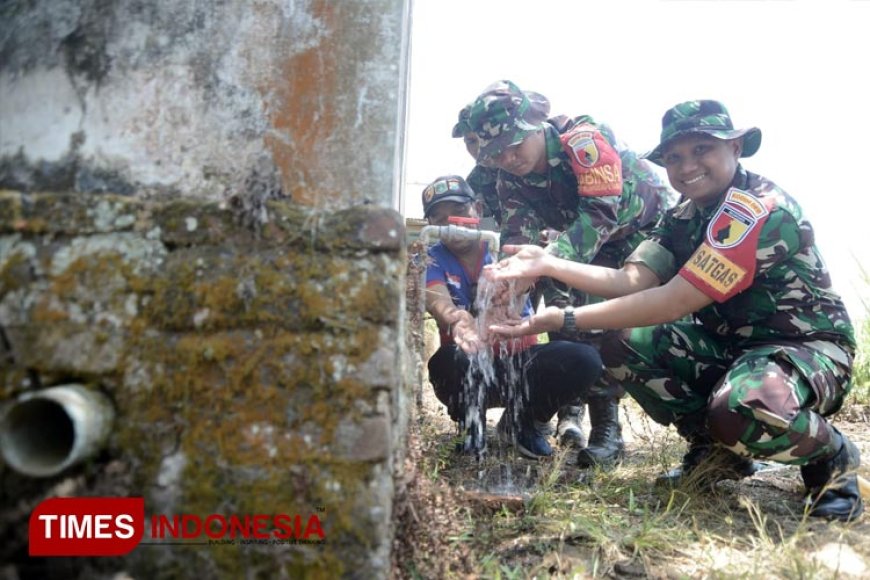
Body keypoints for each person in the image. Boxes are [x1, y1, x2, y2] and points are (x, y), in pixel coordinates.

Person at [484, 100, 863, 521]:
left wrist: (564, 319)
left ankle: (832, 456)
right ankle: (716, 450)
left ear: (735, 148)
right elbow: (632, 281)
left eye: (702, 149)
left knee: (741, 407)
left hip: (806, 352)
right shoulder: (681, 216)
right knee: (619, 340)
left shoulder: (755, 210)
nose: (686, 167)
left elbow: (675, 300)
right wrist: (548, 263)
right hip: (730, 349)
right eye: (674, 158)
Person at [462, 80, 676, 468]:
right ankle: (564, 410)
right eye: (496, 152)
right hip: (569, 239)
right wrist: (509, 288)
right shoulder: (507, 176)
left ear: (536, 126)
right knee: (564, 319)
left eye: (515, 143)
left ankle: (607, 429)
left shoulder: (584, 142)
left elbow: (600, 215)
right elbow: (519, 238)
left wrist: (546, 261)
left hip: (636, 232)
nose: (509, 157)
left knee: (611, 321)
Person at [420, 174, 603, 459]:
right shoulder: (431, 257)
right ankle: (472, 427)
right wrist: (456, 318)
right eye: (439, 218)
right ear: (430, 225)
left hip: (519, 365)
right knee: (446, 361)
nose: (452, 223)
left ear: (477, 210)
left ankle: (525, 423)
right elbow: (436, 297)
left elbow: (526, 277)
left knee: (583, 358)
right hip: (469, 364)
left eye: (459, 211)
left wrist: (518, 286)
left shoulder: (505, 245)